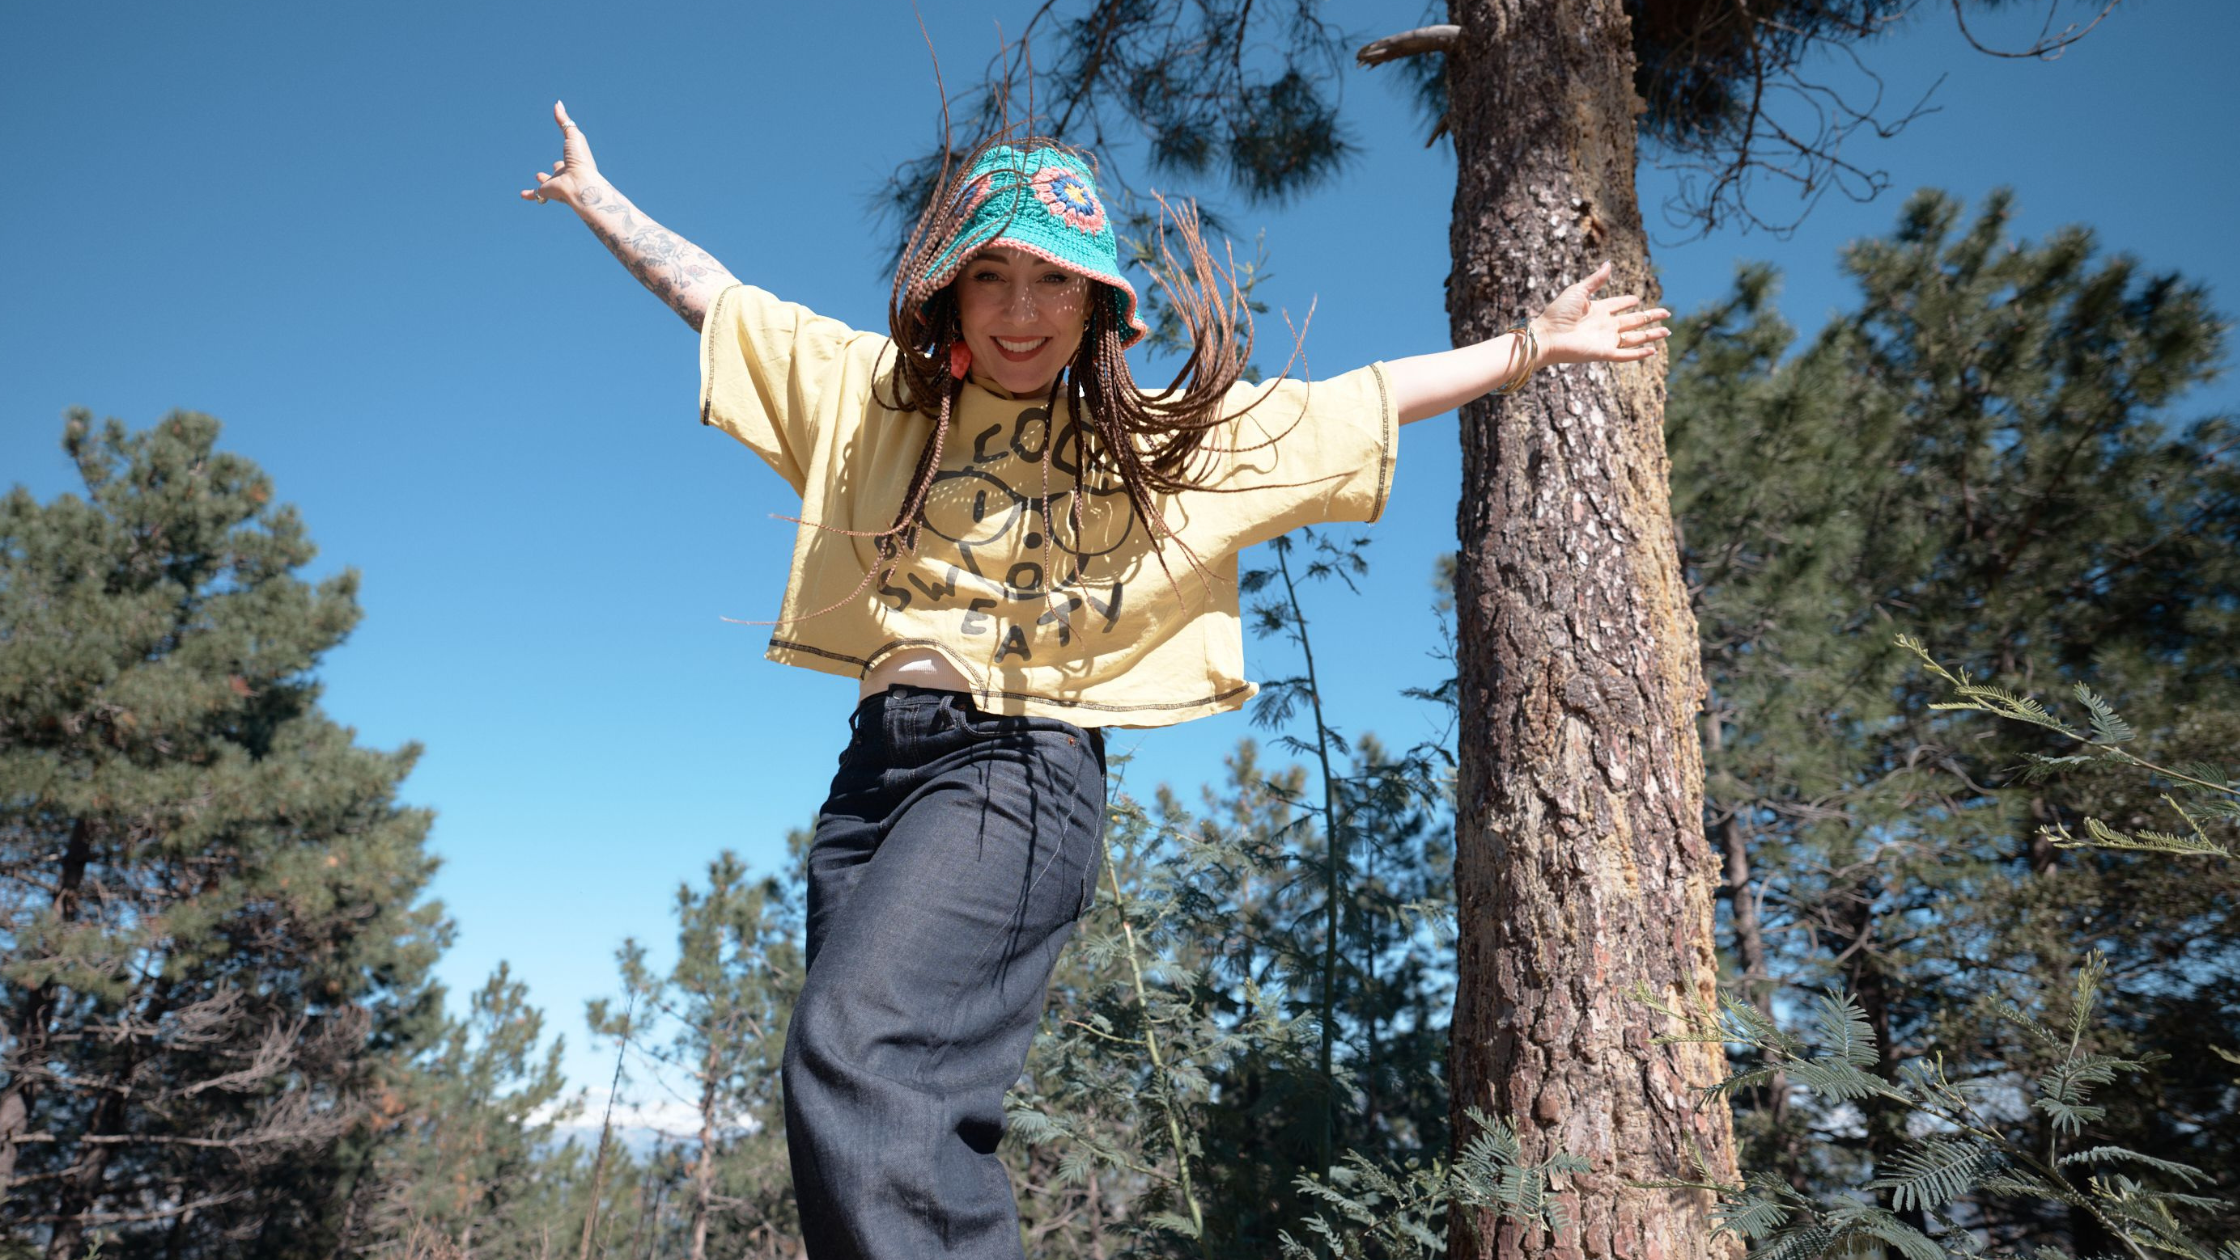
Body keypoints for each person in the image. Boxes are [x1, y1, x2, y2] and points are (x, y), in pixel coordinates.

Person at [521, 98, 1669, 1259]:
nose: (1022, 313)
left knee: (855, 1050)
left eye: (1053, 284)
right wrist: (595, 197)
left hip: (1016, 769)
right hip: (869, 783)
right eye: (994, 278)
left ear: (1098, 304)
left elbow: (1355, 402)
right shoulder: (875, 401)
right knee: (855, 1092)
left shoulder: (1163, 443)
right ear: (951, 297)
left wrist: (1539, 341)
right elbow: (717, 301)